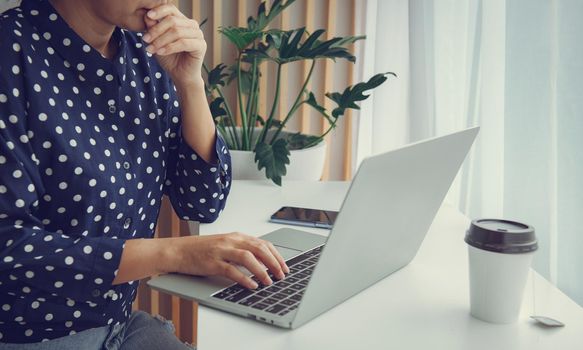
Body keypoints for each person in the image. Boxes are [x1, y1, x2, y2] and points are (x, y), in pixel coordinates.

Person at [0, 0, 289, 348]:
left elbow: (203, 202)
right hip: (31, 337)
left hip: (119, 325)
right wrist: (177, 254)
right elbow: (8, 246)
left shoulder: (143, 54)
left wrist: (190, 83)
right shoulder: (10, 53)